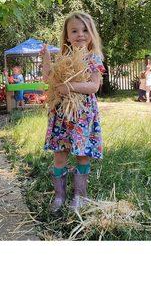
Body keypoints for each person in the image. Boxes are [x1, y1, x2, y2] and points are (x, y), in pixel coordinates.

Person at [40, 11, 105, 212]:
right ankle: (59, 197)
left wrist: (69, 87)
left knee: (82, 154)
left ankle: (80, 196)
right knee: (60, 155)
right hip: (62, 115)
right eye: (74, 31)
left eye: (85, 30)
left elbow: (93, 86)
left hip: (83, 115)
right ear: (67, 36)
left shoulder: (93, 58)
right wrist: (47, 59)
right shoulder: (63, 58)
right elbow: (48, 79)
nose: (80, 34)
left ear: (92, 33)